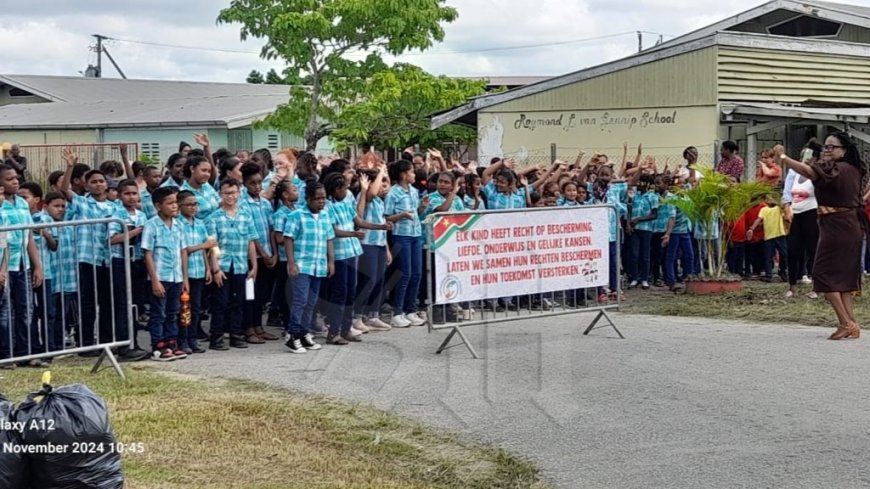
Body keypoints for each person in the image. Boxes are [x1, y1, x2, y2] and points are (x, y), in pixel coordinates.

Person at [774, 132, 868, 340]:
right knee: (843, 278)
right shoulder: (853, 168)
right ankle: (851, 323)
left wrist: (783, 157)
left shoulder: (838, 168)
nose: (826, 150)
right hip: (847, 225)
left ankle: (845, 322)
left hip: (837, 226)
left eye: (831, 147)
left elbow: (809, 171)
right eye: (825, 147)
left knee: (823, 274)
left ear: (843, 150)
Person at [206, 179, 258, 350]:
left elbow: (251, 241)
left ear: (239, 193)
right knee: (220, 303)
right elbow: (212, 245)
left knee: (238, 302)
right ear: (220, 194)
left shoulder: (245, 215)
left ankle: (236, 335)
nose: (231, 196)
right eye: (227, 193)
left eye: (234, 192)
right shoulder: (214, 217)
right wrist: (215, 268)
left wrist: (254, 266)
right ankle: (217, 337)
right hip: (222, 265)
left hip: (241, 265)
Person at [284, 181, 333, 354]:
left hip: (318, 265)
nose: (321, 202)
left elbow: (329, 239)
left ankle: (304, 333)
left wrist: (331, 261)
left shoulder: (326, 215)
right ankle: (292, 335)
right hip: (302, 265)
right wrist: (291, 263)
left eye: (323, 198)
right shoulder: (296, 215)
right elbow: (288, 238)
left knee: (311, 302)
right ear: (308, 199)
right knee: (300, 300)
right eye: (317, 199)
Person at [106, 179, 151, 362]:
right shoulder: (116, 214)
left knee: (135, 303)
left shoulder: (141, 215)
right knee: (123, 303)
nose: (132, 197)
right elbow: (111, 238)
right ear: (119, 195)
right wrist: (132, 233)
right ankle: (124, 344)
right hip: (120, 260)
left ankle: (134, 343)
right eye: (127, 194)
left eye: (134, 193)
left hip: (137, 260)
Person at [141, 187, 187, 361]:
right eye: (170, 203)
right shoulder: (151, 225)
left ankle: (172, 343)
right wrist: (154, 280)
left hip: (176, 277)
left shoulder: (179, 225)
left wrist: (185, 278)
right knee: (158, 313)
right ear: (158, 206)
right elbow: (148, 253)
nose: (174, 206)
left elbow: (182, 251)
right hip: (161, 277)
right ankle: (158, 346)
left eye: (176, 202)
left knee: (173, 312)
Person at [385, 159, 427, 327]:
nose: (414, 174)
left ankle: (410, 309)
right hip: (401, 235)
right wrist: (401, 215)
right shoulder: (393, 193)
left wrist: (422, 208)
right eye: (411, 171)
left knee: (416, 274)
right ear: (404, 174)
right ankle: (397, 311)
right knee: (405, 274)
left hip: (416, 234)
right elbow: (387, 216)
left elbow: (415, 212)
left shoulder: (414, 191)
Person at [240, 163, 278, 343]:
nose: (256, 187)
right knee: (250, 294)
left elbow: (271, 229)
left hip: (268, 256)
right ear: (245, 184)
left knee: (262, 294)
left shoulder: (265, 203)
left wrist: (274, 253)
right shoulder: (242, 204)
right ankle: (248, 328)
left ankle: (259, 327)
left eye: (259, 183)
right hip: (252, 257)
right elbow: (251, 233)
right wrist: (263, 253)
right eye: (252, 183)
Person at [178, 190, 217, 355]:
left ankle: (193, 339)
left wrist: (208, 268)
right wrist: (203, 246)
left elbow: (204, 248)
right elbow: (185, 249)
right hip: (184, 272)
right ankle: (183, 339)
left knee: (196, 308)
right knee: (184, 308)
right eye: (189, 204)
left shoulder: (200, 224)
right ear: (180, 206)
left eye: (195, 204)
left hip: (199, 270)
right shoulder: (178, 224)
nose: (193, 207)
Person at [356, 166, 393, 331]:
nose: (383, 188)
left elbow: (382, 226)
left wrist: (386, 249)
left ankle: (373, 314)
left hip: (379, 244)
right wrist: (381, 172)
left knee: (379, 281)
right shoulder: (365, 197)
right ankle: (357, 315)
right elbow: (370, 193)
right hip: (367, 244)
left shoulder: (379, 201)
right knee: (368, 280)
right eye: (380, 184)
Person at [782, 141, 820, 299]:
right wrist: (787, 207)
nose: (806, 158)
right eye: (804, 155)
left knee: (813, 251)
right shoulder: (794, 172)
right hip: (796, 214)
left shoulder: (817, 174)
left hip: (812, 214)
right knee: (792, 250)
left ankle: (815, 287)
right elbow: (787, 192)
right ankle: (792, 286)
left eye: (809, 155)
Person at [747, 196, 788, 283]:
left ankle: (782, 270)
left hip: (780, 234)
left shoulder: (778, 208)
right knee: (768, 256)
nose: (770, 200)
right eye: (768, 198)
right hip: (769, 236)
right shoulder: (764, 209)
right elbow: (758, 219)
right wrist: (752, 229)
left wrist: (776, 201)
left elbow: (784, 209)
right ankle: (768, 274)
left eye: (771, 198)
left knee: (784, 254)